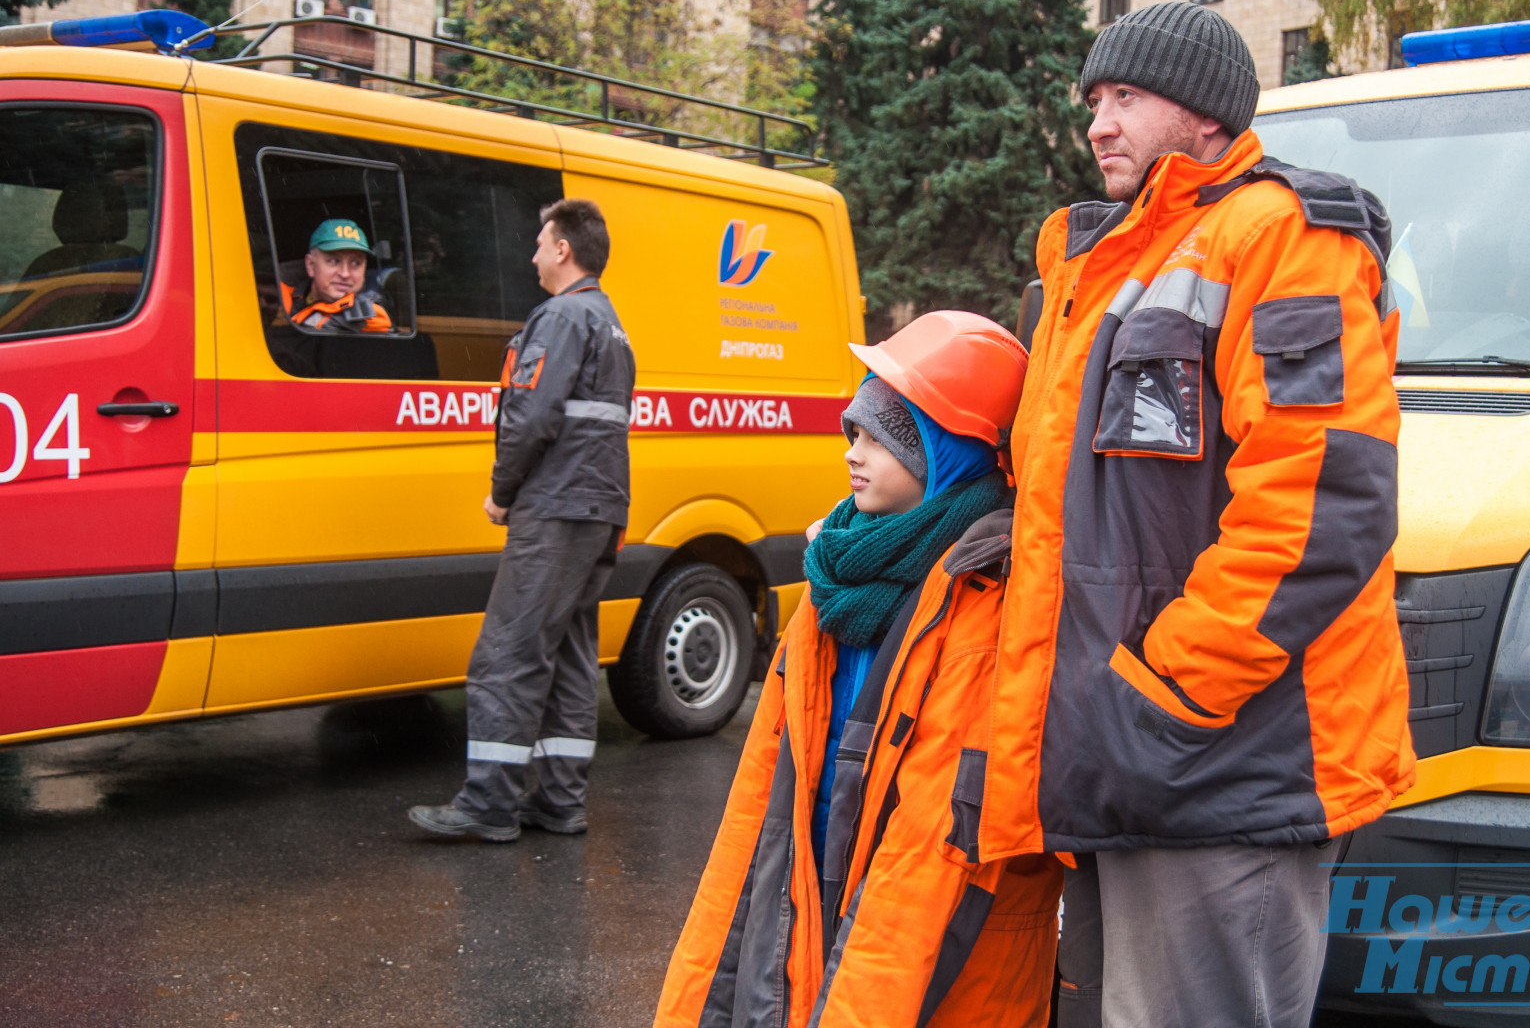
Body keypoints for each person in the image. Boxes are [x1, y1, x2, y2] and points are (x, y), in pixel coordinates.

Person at [976, 2, 1416, 1028]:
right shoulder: (1105, 264)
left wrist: (1164, 693)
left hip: (1217, 759)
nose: (1098, 122)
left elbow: (1318, 506)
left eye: (1126, 96)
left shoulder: (1281, 238)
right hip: (1125, 756)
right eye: (1093, 99)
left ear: (1207, 116)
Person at [655, 311, 1063, 1028]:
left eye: (883, 435)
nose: (854, 451)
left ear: (948, 452)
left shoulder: (989, 606)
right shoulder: (833, 575)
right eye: (854, 431)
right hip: (831, 940)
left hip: (941, 981)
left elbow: (922, 871)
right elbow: (757, 815)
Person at [409, 198, 635, 843]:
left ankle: (488, 804)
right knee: (566, 654)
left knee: (506, 653)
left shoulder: (562, 316)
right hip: (596, 507)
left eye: (541, 244)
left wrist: (502, 490)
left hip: (556, 506)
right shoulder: (609, 321)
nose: (534, 255)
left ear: (564, 249)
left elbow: (531, 415)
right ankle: (559, 801)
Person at [278, 218, 392, 333]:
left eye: (355, 263)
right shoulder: (278, 295)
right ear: (311, 265)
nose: (345, 273)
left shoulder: (372, 314)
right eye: (333, 261)